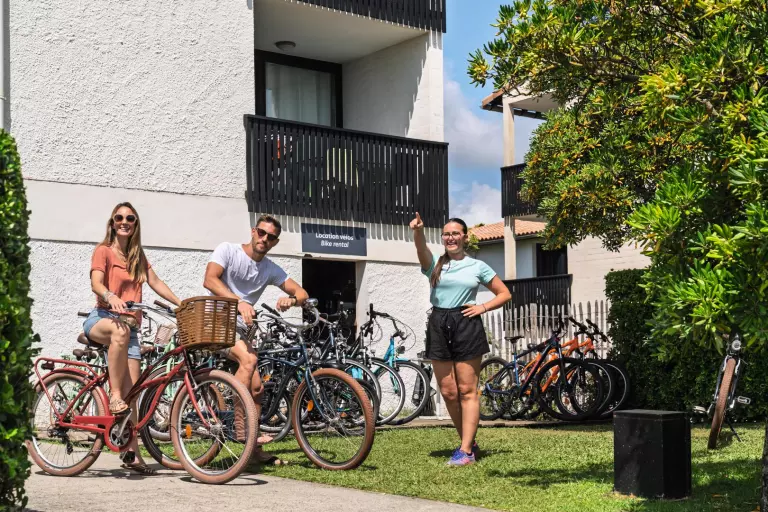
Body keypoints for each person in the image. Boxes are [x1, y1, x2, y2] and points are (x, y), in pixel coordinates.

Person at [83, 202, 182, 474]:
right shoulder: (103, 251)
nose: (124, 222)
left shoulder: (138, 256)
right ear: (112, 223)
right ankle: (114, 395)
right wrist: (110, 296)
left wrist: (180, 304)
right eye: (119, 218)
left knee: (134, 394)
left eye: (130, 218)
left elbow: (156, 282)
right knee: (120, 332)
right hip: (102, 318)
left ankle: (132, 453)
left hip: (130, 330)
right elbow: (96, 283)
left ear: (136, 224)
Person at [203, 214, 308, 465]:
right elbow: (210, 279)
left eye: (271, 237)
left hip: (240, 330)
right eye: (261, 233)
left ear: (275, 242)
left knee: (258, 388)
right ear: (253, 231)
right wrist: (238, 301)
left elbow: (302, 292)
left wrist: (291, 300)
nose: (264, 239)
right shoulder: (228, 251)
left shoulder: (269, 268)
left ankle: (252, 451)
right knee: (249, 360)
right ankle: (239, 429)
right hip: (216, 321)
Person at [410, 212, 511, 466]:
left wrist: (482, 308)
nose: (451, 238)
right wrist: (418, 231)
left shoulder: (477, 266)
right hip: (438, 322)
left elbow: (504, 293)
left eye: (455, 233)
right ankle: (468, 441)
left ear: (465, 237)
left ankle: (465, 451)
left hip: (466, 323)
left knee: (467, 389)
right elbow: (421, 251)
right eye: (446, 234)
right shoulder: (435, 263)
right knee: (448, 391)